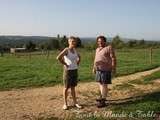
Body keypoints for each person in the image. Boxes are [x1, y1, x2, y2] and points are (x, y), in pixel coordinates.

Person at [56, 36, 82, 110]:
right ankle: (65, 104)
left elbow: (79, 57)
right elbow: (58, 57)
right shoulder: (66, 50)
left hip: (74, 70)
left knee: (73, 87)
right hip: (68, 71)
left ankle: (75, 102)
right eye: (72, 41)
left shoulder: (75, 50)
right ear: (69, 42)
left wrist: (78, 62)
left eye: (74, 41)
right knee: (66, 87)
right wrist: (65, 64)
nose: (73, 43)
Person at [93, 35, 116, 108]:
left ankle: (103, 101)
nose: (100, 42)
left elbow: (113, 58)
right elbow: (95, 59)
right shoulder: (97, 49)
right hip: (98, 69)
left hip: (106, 69)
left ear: (105, 41)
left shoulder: (109, 48)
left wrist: (113, 68)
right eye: (98, 41)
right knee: (100, 83)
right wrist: (94, 68)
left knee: (104, 84)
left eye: (101, 41)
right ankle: (102, 97)